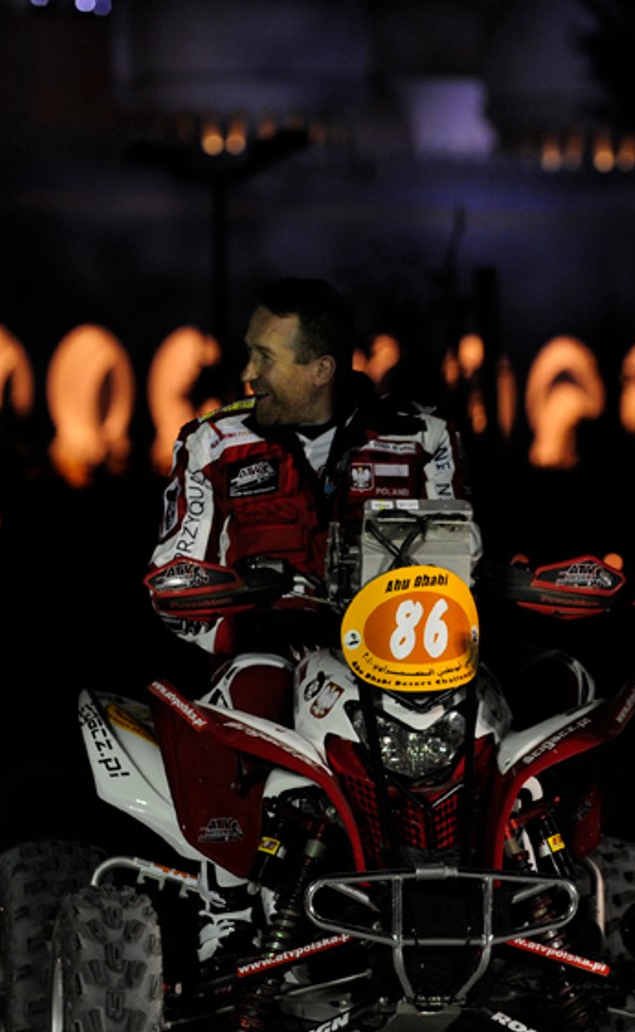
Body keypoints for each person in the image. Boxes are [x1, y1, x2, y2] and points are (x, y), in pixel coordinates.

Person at [148, 277, 467, 959]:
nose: (248, 372)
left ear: (321, 368)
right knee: (251, 689)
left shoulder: (424, 436)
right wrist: (236, 612)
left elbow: (465, 556)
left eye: (265, 356)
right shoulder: (212, 441)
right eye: (250, 354)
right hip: (271, 651)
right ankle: (227, 910)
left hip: (407, 655)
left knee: (493, 707)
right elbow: (170, 571)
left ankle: (514, 884)